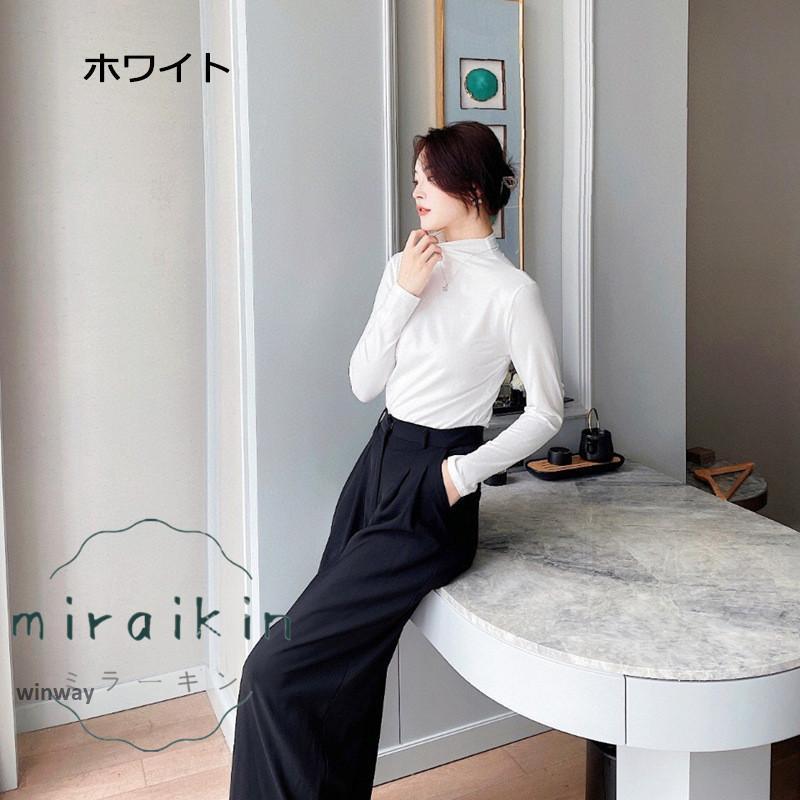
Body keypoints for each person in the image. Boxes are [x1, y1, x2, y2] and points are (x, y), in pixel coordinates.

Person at [228, 120, 564, 799]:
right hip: (376, 467)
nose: (416, 189)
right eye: (416, 178)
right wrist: (405, 291)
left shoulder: (511, 292)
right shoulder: (406, 266)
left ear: (472, 187)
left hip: (432, 489)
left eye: (429, 177)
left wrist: (460, 474)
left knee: (273, 667)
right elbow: (363, 383)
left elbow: (546, 411)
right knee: (341, 672)